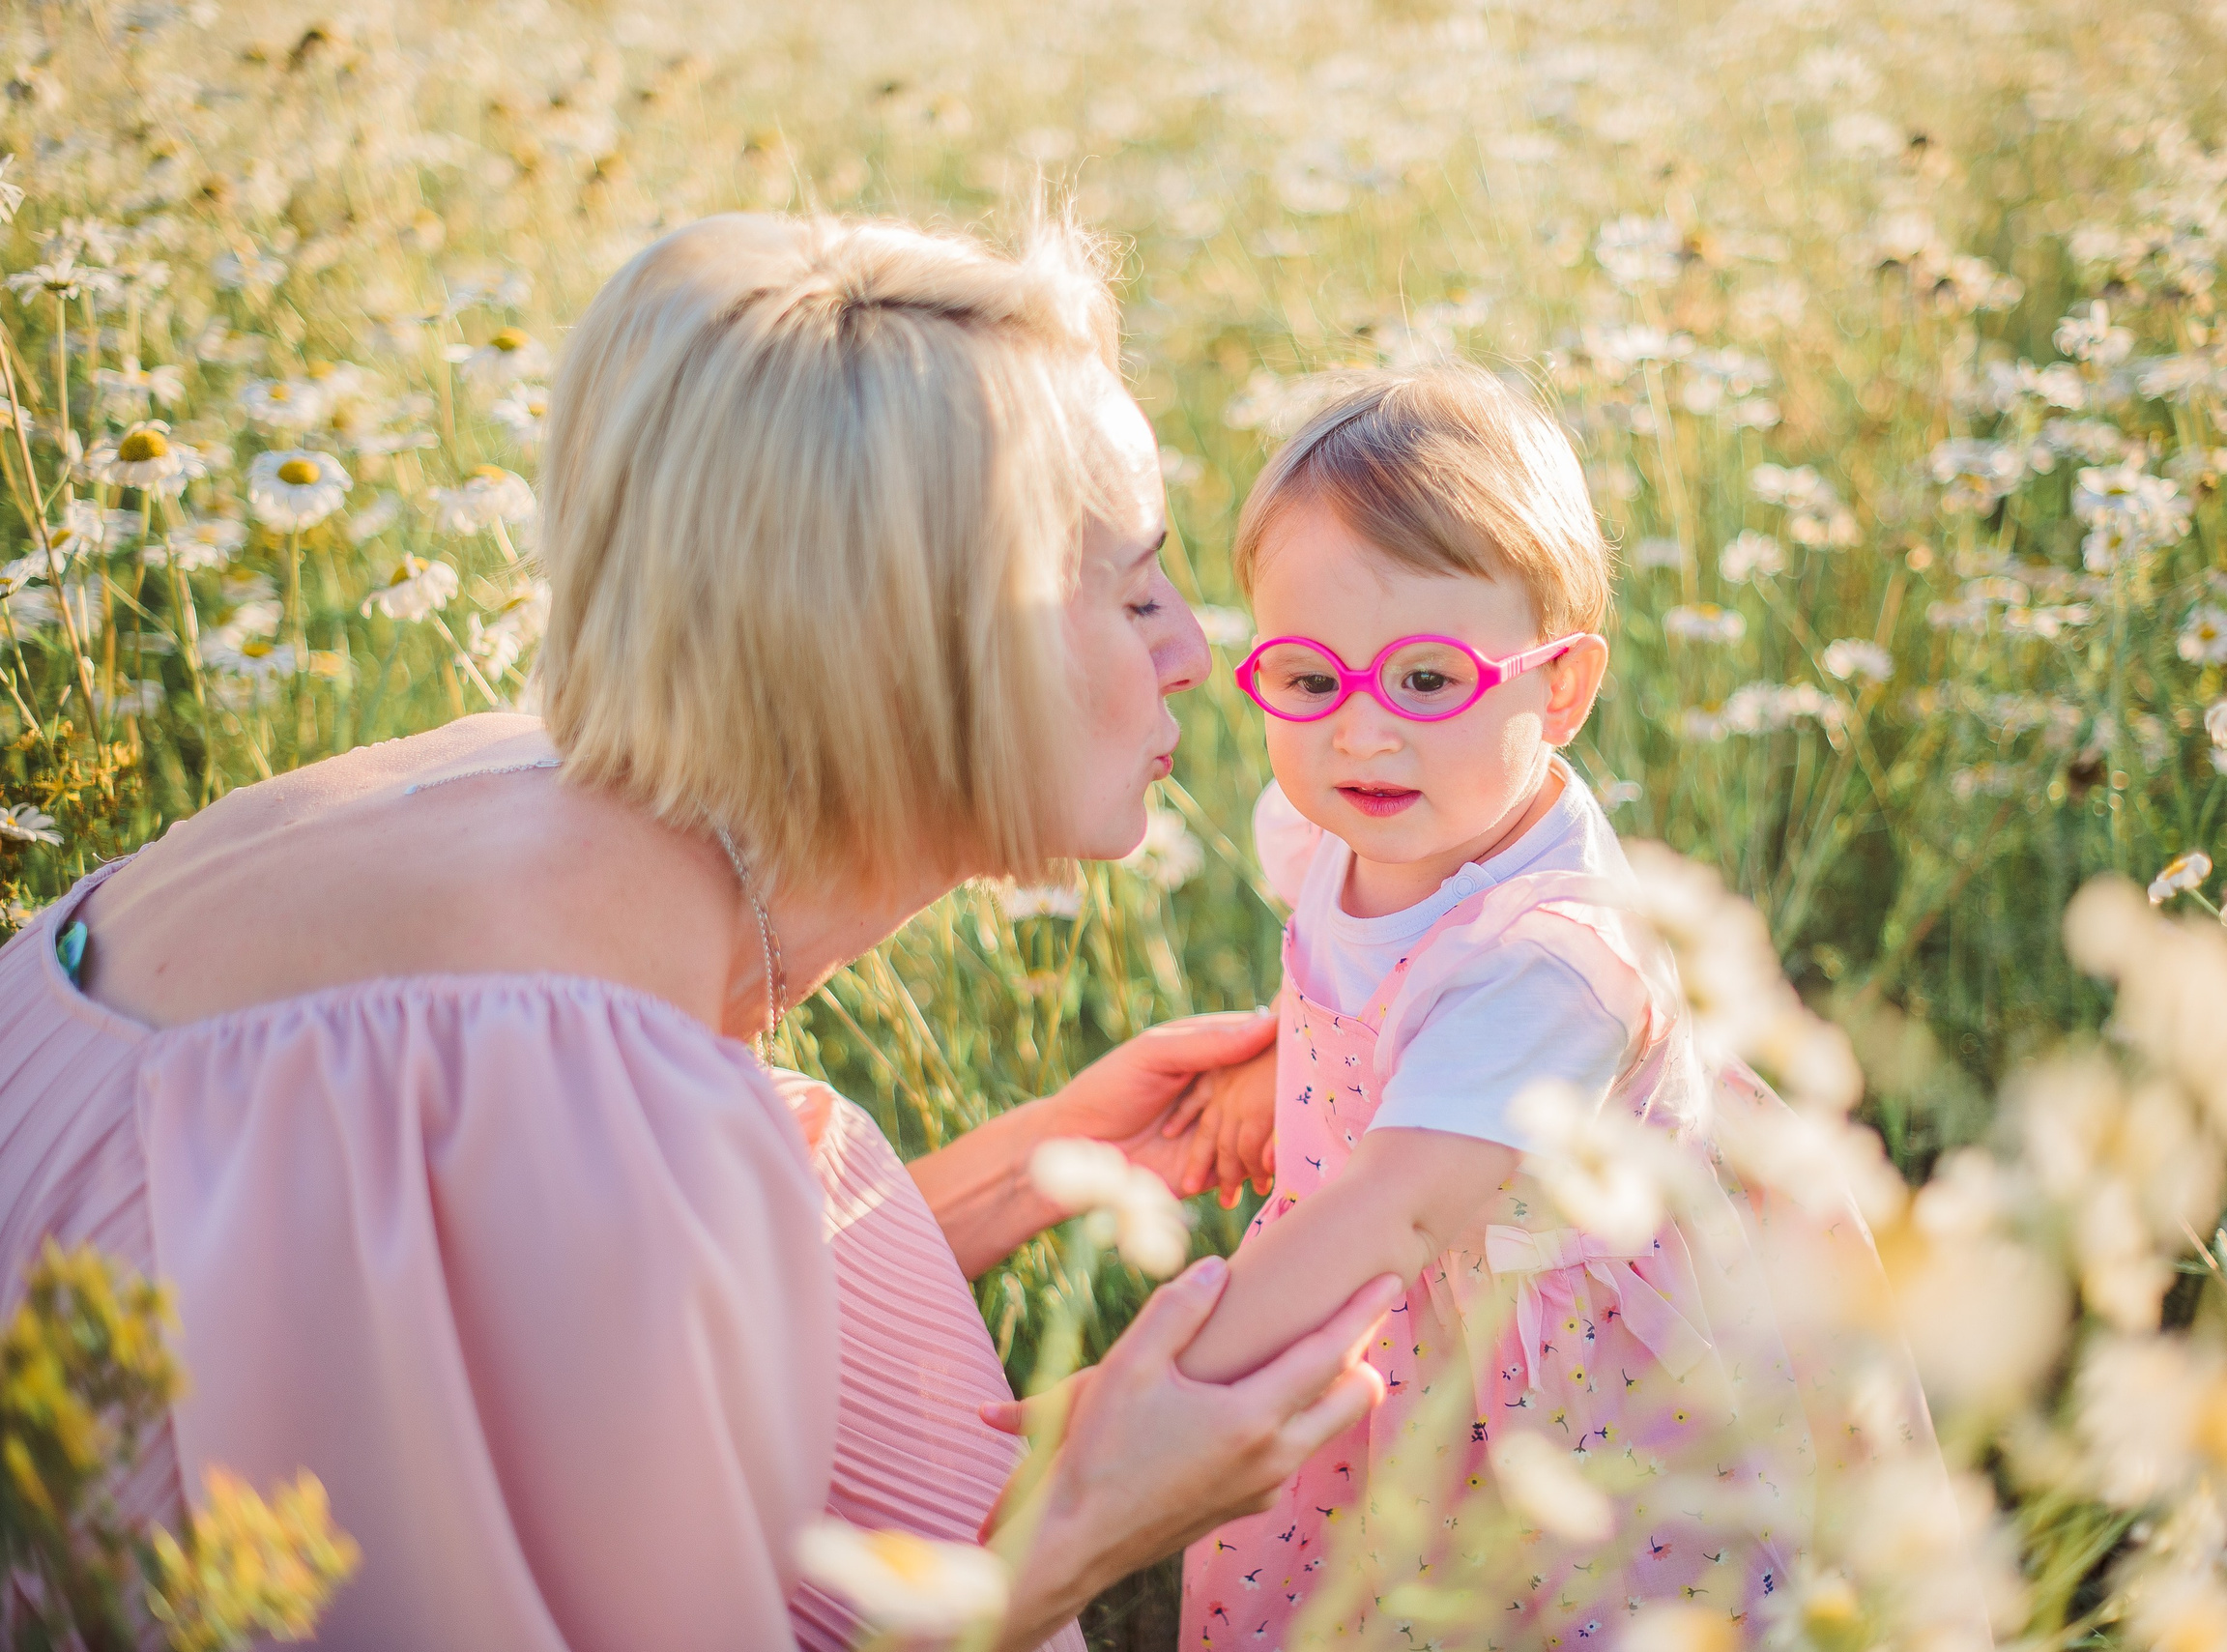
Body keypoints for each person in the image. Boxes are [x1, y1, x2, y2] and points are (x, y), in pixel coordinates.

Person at [0, 212, 1393, 1651]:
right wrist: (1096, 1523)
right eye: (1137, 587)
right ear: (936, 640)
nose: (1194, 651)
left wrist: (1052, 1159)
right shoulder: (565, 1044)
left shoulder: (525, 811)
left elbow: (537, 1347)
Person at [1172, 369, 1846, 1647]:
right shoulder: (1340, 826)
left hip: (1552, 1379)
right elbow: (1370, 987)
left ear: (1562, 688)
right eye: (1308, 679)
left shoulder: (1548, 965)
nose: (1361, 733)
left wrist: (1161, 1383)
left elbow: (1403, 1203)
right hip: (1389, 1302)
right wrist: (1288, 1059)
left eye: (1428, 678)